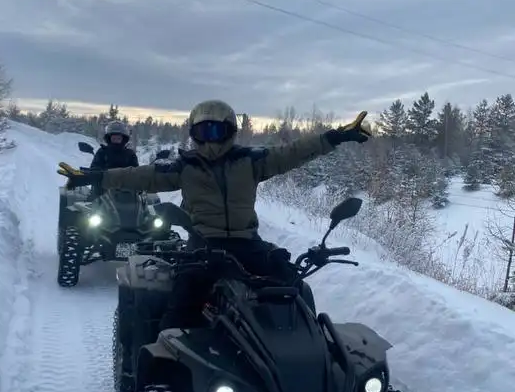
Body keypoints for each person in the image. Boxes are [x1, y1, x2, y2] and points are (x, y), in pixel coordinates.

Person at [59, 99, 371, 326]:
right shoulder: (184, 167)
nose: (210, 138)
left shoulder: (252, 160)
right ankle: (158, 385)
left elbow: (294, 152)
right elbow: (139, 175)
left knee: (293, 289)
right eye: (203, 131)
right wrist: (94, 176)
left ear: (230, 131)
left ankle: (304, 362)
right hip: (203, 246)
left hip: (249, 243)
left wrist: (336, 137)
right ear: (194, 133)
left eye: (217, 130)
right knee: (178, 316)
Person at [88, 120, 138, 196]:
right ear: (109, 138)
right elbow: (94, 168)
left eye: (118, 138)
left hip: (126, 193)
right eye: (114, 138)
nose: (116, 141)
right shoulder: (102, 152)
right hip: (103, 193)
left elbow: (136, 172)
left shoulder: (130, 154)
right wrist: (100, 174)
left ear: (123, 139)